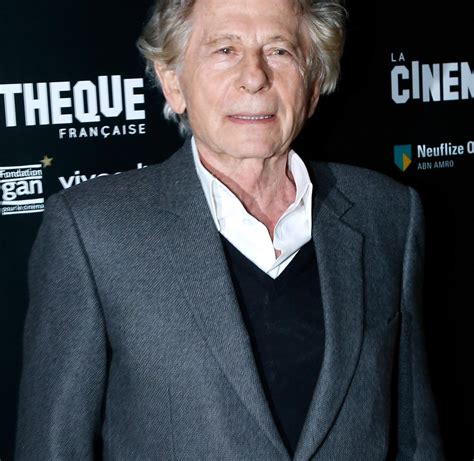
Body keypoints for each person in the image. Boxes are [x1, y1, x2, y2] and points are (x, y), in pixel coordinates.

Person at [16, 0, 444, 459]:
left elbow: (416, 438)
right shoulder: (93, 232)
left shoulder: (387, 214)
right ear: (173, 83)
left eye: (279, 51)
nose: (254, 77)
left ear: (314, 85)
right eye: (225, 50)